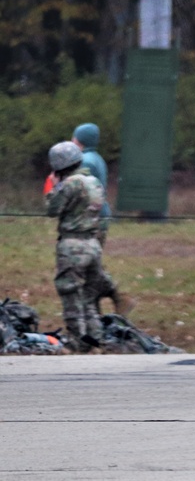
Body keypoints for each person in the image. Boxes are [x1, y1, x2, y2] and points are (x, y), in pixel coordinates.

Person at [45, 141, 110, 353]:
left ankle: (77, 342)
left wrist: (52, 187)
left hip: (73, 246)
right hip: (93, 244)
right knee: (88, 297)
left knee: (70, 294)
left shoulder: (69, 184)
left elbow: (53, 209)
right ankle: (96, 339)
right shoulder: (94, 182)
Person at [71, 122, 135, 316]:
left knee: (85, 265)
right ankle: (99, 308)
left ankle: (114, 300)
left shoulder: (85, 161)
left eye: (74, 137)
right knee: (90, 265)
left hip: (92, 219)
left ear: (80, 140)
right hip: (100, 217)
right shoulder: (96, 158)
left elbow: (84, 193)